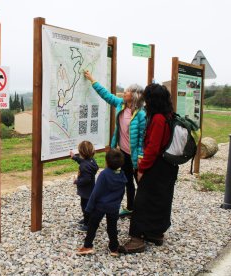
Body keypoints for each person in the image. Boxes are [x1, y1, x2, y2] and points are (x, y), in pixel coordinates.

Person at [119, 84, 179, 254]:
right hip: (168, 167)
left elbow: (152, 148)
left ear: (152, 99)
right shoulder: (168, 114)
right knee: (161, 200)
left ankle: (137, 239)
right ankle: (155, 233)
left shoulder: (158, 119)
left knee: (142, 202)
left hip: (156, 166)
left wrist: (141, 169)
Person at [84, 70, 146, 217]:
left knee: (141, 184)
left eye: (128, 91)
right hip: (123, 153)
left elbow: (143, 139)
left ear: (135, 95)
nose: (125, 92)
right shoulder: (120, 105)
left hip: (135, 156)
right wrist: (92, 79)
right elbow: (105, 95)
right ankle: (130, 208)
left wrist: (141, 156)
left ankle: (144, 210)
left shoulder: (142, 114)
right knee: (127, 182)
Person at [76, 149, 127, 256]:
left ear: (107, 162)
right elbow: (122, 192)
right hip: (114, 207)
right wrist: (117, 204)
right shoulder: (122, 175)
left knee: (92, 226)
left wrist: (89, 208)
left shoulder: (104, 174)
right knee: (112, 228)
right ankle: (114, 248)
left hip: (100, 206)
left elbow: (96, 192)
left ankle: (87, 246)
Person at [70, 140, 99, 231]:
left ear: (81, 153)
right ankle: (87, 219)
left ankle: (88, 224)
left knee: (85, 207)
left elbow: (86, 179)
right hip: (91, 190)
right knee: (88, 206)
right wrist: (75, 158)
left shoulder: (84, 166)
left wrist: (77, 181)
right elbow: (83, 162)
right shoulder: (91, 161)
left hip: (86, 191)